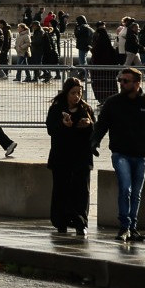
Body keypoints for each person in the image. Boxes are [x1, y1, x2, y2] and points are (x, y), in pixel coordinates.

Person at [92, 67, 145, 242]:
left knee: (136, 193)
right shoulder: (113, 102)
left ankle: (133, 227)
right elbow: (101, 125)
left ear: (137, 83)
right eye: (120, 80)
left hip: (140, 155)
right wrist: (94, 142)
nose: (121, 83)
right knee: (125, 188)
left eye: (125, 81)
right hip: (120, 154)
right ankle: (124, 227)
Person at [46, 76, 95, 237]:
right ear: (66, 93)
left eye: (79, 93)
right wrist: (63, 124)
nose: (76, 96)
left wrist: (89, 125)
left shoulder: (86, 109)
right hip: (61, 156)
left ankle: (80, 222)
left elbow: (95, 132)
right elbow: (51, 129)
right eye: (73, 93)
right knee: (61, 190)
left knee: (81, 191)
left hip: (81, 157)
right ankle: (61, 221)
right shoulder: (56, 109)